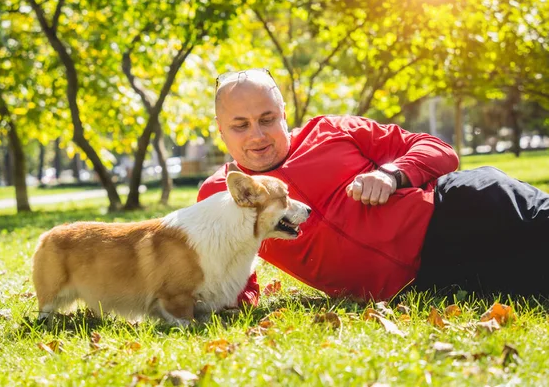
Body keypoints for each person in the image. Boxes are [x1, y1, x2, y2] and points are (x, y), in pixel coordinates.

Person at [197, 68, 549, 305]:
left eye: (267, 119)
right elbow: (229, 273)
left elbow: (439, 150)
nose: (257, 135)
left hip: (457, 214)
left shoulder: (331, 130)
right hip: (434, 279)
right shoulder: (220, 193)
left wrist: (391, 174)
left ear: (283, 112)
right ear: (220, 128)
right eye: (240, 125)